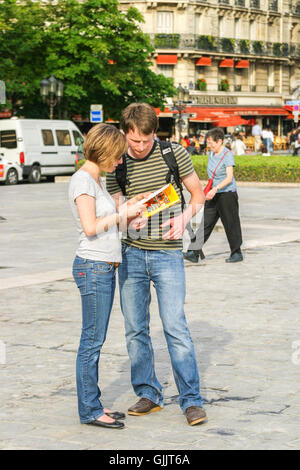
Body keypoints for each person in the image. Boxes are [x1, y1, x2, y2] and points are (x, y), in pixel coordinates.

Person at [106, 103, 207, 426]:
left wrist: (184, 219)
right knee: (136, 329)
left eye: (146, 141)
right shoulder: (116, 161)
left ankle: (191, 400)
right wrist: (126, 219)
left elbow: (198, 194)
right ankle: (149, 392)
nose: (140, 147)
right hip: (131, 255)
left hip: (167, 254)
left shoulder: (172, 153)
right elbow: (117, 210)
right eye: (134, 141)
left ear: (155, 134)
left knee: (175, 326)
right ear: (125, 133)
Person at [69, 123, 147, 429]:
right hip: (93, 267)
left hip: (102, 265)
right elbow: (89, 227)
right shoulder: (82, 181)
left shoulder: (95, 180)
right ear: (104, 151)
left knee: (94, 339)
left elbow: (104, 223)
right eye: (116, 155)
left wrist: (128, 217)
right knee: (92, 340)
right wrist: (121, 215)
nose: (119, 161)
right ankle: (89, 410)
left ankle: (93, 403)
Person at [183, 127, 243, 264]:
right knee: (206, 222)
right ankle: (194, 252)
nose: (209, 145)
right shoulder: (211, 154)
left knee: (230, 222)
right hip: (212, 194)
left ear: (220, 141)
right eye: (208, 142)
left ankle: (236, 252)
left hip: (227, 194)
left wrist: (215, 188)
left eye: (211, 143)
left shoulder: (227, 155)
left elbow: (229, 178)